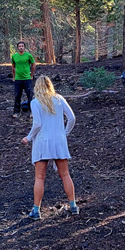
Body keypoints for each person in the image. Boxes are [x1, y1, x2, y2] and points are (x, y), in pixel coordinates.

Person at [20, 76, 78, 219]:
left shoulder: (35, 102)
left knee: (40, 177)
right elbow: (72, 118)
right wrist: (65, 133)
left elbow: (37, 124)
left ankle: (36, 210)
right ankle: (73, 206)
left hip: (42, 141)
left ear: (37, 87)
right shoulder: (59, 98)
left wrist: (29, 137)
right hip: (59, 141)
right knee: (65, 174)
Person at [11, 41, 36, 118]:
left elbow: (33, 64)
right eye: (19, 46)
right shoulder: (14, 56)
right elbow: (13, 66)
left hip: (27, 79)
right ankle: (16, 112)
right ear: (17, 48)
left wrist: (31, 75)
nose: (21, 47)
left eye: (22, 46)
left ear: (24, 47)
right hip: (18, 79)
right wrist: (14, 76)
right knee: (17, 95)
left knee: (30, 95)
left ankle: (32, 112)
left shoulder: (28, 55)